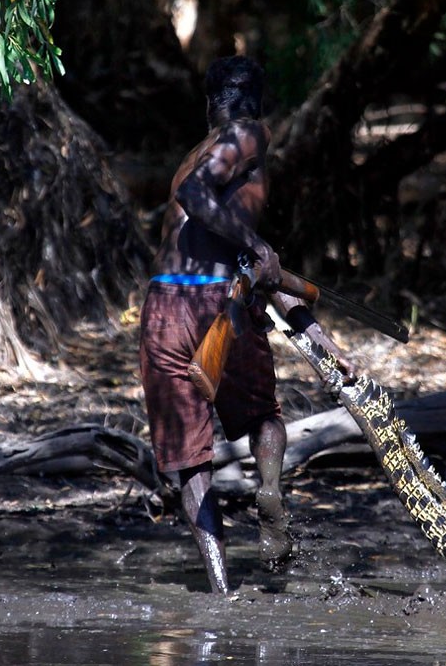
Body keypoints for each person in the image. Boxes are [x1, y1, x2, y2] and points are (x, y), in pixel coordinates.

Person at [139, 56, 354, 595]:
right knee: (264, 419)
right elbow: (220, 225)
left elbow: (256, 270)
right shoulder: (249, 133)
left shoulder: (196, 153)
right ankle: (271, 494)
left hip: (164, 305)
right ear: (259, 104)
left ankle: (219, 587)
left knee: (190, 462)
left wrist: (323, 341)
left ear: (208, 102)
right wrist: (259, 244)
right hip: (216, 303)